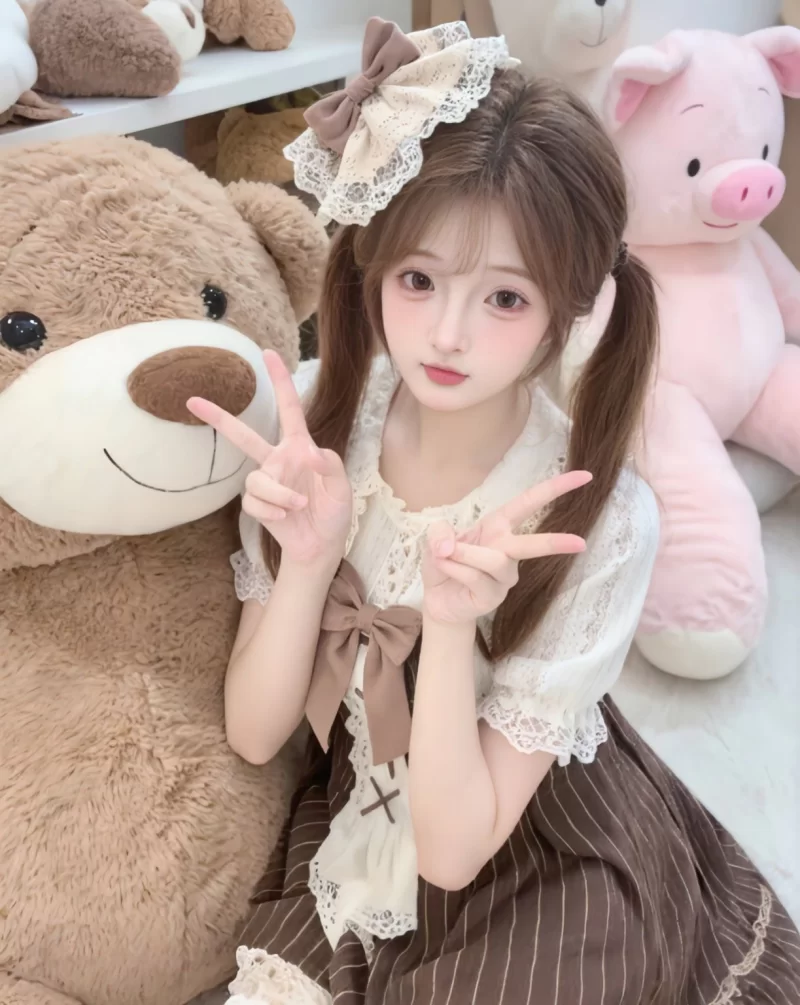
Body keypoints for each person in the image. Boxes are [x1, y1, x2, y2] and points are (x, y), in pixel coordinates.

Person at [187, 18, 800, 1005]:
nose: (447, 334)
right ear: (372, 268)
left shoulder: (599, 520)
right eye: (417, 280)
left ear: (570, 305)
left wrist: (449, 625)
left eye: (505, 299)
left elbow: (455, 850)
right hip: (369, 805)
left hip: (538, 836)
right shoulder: (322, 426)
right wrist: (306, 560)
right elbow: (258, 737)